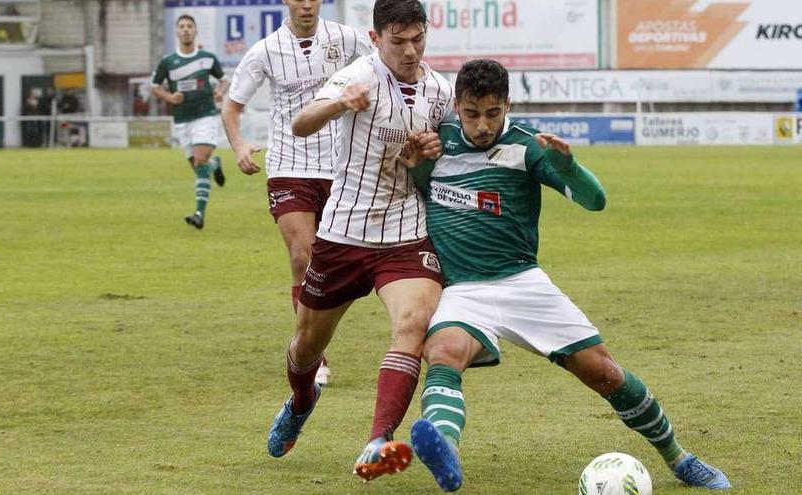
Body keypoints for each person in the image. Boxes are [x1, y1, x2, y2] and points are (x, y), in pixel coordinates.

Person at [402, 59, 732, 492]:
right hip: (464, 289)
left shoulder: (527, 147)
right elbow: (423, 184)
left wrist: (569, 166)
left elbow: (596, 201)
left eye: (492, 113)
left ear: (507, 105)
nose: (481, 125)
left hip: (522, 282)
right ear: (457, 107)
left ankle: (679, 457)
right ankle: (445, 449)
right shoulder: (438, 145)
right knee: (442, 352)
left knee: (605, 374)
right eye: (471, 113)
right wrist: (415, 165)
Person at [265, 0, 454, 482]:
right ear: (376, 40)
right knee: (307, 345)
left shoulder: (438, 90)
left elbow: (447, 160)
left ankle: (378, 438)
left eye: (418, 39)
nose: (411, 51)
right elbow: (302, 122)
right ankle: (303, 400)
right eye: (398, 41)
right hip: (344, 232)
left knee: (415, 322)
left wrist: (432, 151)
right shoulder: (359, 77)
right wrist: (339, 103)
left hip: (407, 233)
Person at [222, 0, 373, 385]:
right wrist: (239, 145)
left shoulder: (346, 39)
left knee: (341, 267)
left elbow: (384, 64)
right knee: (301, 255)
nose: (306, 4)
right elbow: (232, 106)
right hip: (289, 167)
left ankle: (313, 332)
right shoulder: (266, 50)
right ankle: (313, 356)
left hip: (342, 167)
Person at [151, 14, 228, 230]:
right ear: (177, 32)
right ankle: (216, 164)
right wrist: (169, 97)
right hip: (182, 119)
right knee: (199, 166)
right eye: (182, 26)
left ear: (195, 31)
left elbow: (223, 79)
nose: (186, 30)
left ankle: (199, 214)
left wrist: (220, 92)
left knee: (200, 159)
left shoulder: (207, 58)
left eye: (189, 26)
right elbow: (155, 86)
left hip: (205, 115)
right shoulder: (168, 62)